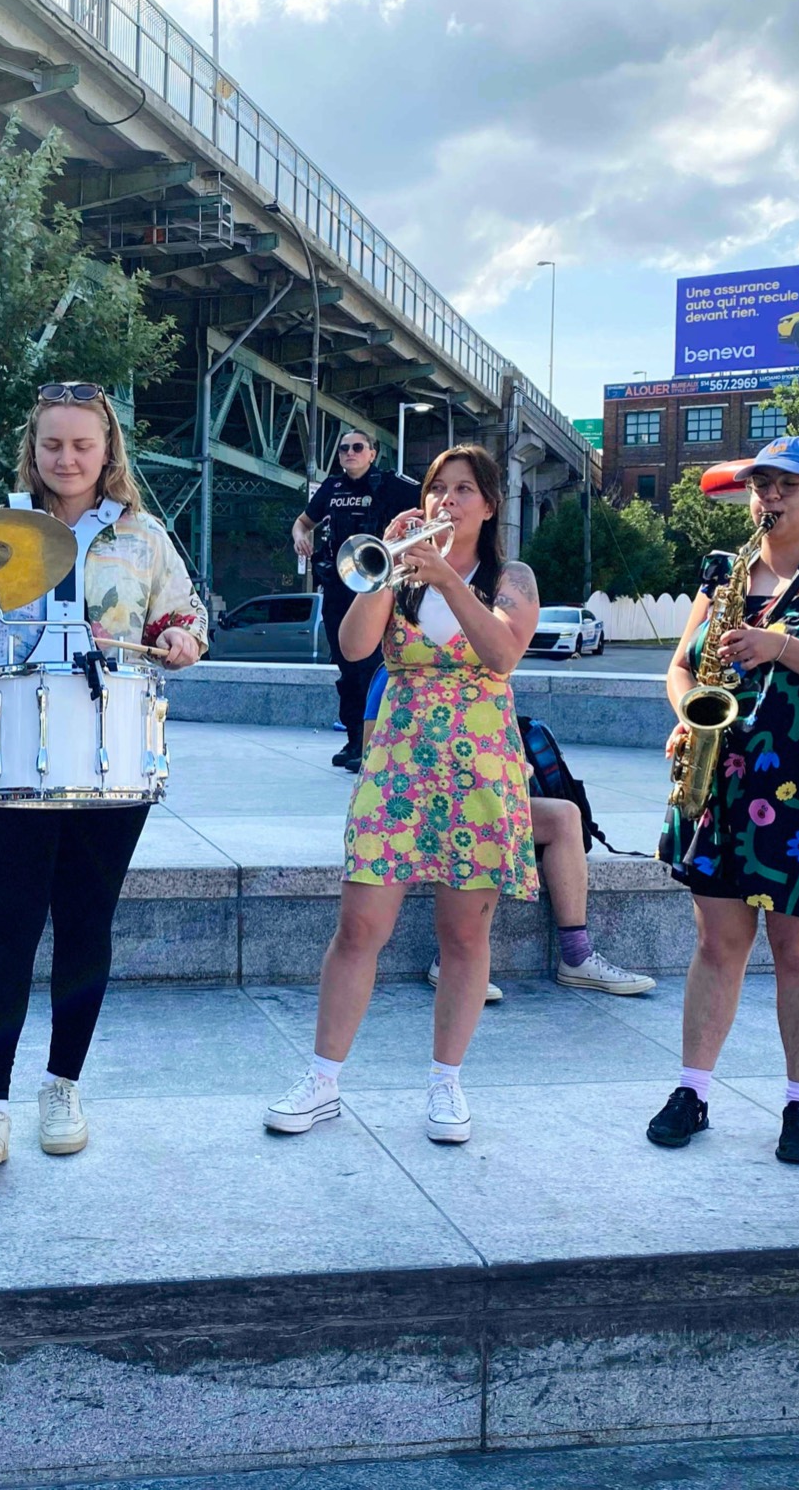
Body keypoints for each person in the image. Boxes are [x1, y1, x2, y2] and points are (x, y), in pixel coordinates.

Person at [0, 381, 207, 1167]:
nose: (67, 458)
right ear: (34, 448)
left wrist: (183, 638)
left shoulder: (143, 537)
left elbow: (181, 615)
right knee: (5, 929)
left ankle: (62, 1085)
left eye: (83, 445)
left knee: (85, 925)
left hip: (110, 754)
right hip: (9, 748)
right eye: (53, 444)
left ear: (107, 450)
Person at [265, 444, 540, 1146]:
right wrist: (381, 571)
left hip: (479, 767)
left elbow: (503, 654)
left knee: (463, 934)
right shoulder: (401, 568)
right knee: (358, 925)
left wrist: (448, 577)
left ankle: (446, 1083)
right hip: (397, 761)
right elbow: (354, 648)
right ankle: (323, 1081)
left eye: (463, 490)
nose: (448, 501)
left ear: (490, 502)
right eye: (437, 488)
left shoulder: (510, 577)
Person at [649, 436, 799, 1166]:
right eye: (762, 484)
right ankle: (691, 1091)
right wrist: (682, 709)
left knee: (797, 950)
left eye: (789, 484)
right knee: (715, 943)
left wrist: (780, 646)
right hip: (720, 779)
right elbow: (678, 664)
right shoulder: (722, 572)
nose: (771, 497)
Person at [361, 664, 658, 1000]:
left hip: (483, 794)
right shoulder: (399, 668)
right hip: (421, 805)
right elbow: (372, 751)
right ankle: (451, 959)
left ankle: (577, 956)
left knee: (564, 817)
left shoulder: (487, 661)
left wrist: (513, 768)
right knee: (483, 818)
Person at [292, 427, 419, 773]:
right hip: (338, 586)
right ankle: (353, 740)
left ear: (372, 453)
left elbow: (426, 505)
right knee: (347, 667)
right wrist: (300, 537)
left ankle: (374, 743)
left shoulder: (392, 485)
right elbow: (302, 522)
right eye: (344, 448)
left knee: (372, 667)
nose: (350, 453)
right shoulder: (331, 488)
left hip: (377, 587)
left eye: (357, 447)